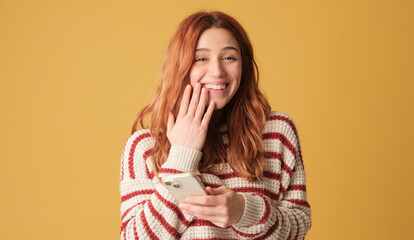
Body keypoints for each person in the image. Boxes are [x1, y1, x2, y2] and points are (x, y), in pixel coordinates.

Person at [119, 11, 311, 240]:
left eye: (229, 57)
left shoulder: (277, 132)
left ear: (244, 65)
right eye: (201, 58)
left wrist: (243, 211)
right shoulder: (145, 146)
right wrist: (182, 155)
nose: (217, 71)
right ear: (181, 66)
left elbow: (298, 227)